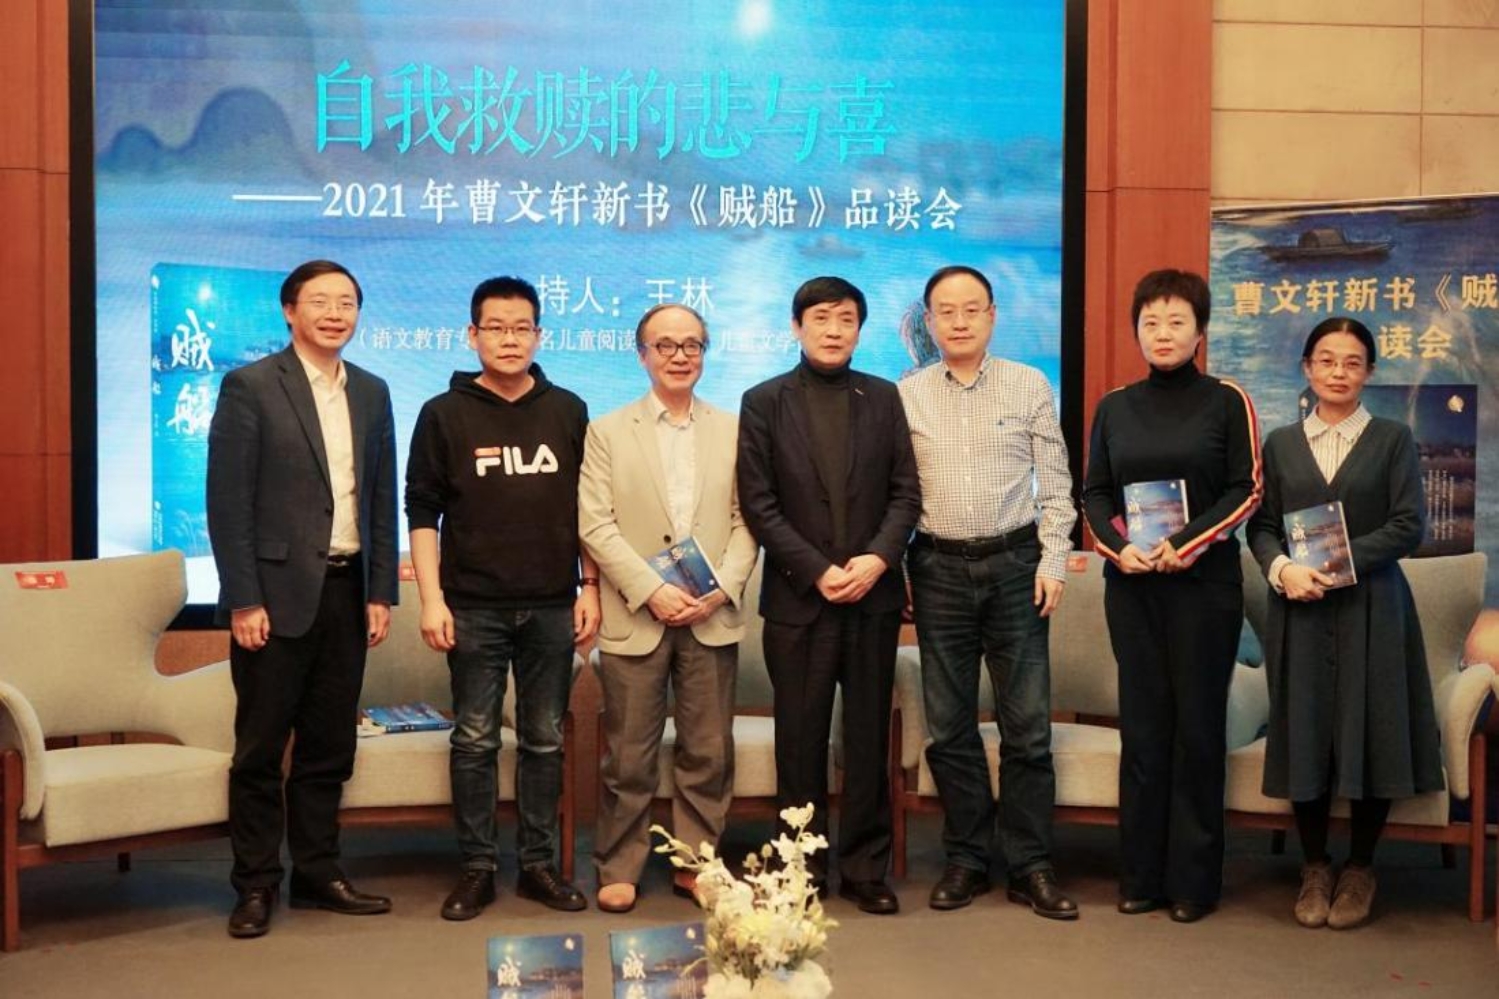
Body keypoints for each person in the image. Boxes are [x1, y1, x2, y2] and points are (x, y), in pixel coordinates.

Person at [207, 259, 398, 938]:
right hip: (273, 597)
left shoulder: (371, 391)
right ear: (289, 311)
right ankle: (256, 883)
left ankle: (318, 873)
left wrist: (380, 591)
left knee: (327, 746)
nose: (335, 313)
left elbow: (380, 496)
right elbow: (228, 501)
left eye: (347, 302)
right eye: (320, 301)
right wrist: (243, 598)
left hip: (347, 591)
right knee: (260, 749)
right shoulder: (251, 386)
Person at [404, 276, 600, 919]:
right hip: (472, 607)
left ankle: (538, 866)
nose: (509, 339)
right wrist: (431, 600)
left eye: (521, 328)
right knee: (475, 740)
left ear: (539, 335)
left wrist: (590, 586)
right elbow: (422, 512)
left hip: (551, 605)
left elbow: (589, 510)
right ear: (472, 335)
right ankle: (477, 868)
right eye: (496, 327)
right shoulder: (443, 413)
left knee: (544, 739)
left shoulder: (568, 410)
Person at [1247, 316, 1441, 930]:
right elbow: (1262, 525)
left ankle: (1360, 868)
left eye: (1352, 362)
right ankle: (1314, 866)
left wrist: (1336, 564)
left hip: (1372, 607)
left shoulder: (1392, 439)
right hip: (1299, 607)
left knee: (1372, 729)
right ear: (1307, 368)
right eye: (1326, 360)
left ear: (1369, 372)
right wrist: (1282, 569)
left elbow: (1409, 525)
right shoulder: (1281, 443)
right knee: (1304, 730)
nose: (1338, 372)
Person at [898, 265, 1079, 919]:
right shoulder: (906, 395)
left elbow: (1056, 484)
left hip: (1015, 565)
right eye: (945, 311)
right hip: (936, 568)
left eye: (971, 309)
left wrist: (1053, 561)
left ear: (992, 315)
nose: (959, 321)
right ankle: (967, 858)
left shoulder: (1028, 384)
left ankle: (1030, 865)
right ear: (929, 321)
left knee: (1026, 727)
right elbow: (896, 495)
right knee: (949, 727)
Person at [1081, 268, 1262, 923]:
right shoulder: (1114, 406)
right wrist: (1117, 548)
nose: (1162, 333)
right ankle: (1141, 875)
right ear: (1136, 331)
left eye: (1176, 321)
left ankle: (1193, 881)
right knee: (1143, 729)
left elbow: (1245, 489)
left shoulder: (1226, 400)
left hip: (1203, 588)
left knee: (1197, 731)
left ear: (1199, 330)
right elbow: (1094, 493)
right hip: (1132, 588)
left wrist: (1185, 543)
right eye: (1150, 322)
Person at [737, 276, 921, 915]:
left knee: (867, 739)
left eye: (846, 318)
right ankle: (799, 870)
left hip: (872, 598)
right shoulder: (764, 401)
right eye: (821, 317)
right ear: (797, 327)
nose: (834, 329)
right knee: (800, 740)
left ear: (859, 330)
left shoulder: (884, 397)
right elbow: (758, 502)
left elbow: (906, 493)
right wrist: (817, 569)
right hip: (799, 601)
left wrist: (877, 559)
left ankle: (865, 869)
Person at [579, 304, 760, 914]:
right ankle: (619, 865)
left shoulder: (734, 429)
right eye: (665, 345)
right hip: (637, 613)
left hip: (711, 613)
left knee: (708, 750)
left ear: (705, 353)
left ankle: (697, 864)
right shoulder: (607, 431)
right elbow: (595, 524)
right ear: (642, 354)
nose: (679, 356)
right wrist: (650, 589)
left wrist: (722, 587)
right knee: (629, 754)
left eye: (692, 345)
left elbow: (748, 521)